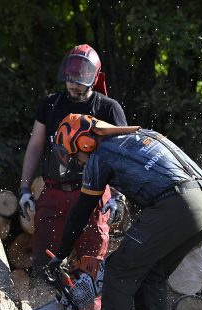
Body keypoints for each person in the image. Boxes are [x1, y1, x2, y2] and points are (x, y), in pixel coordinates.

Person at [47, 113, 202, 310]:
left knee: (119, 269)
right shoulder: (139, 136)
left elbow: (82, 211)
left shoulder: (100, 155)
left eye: (74, 154)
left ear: (85, 144)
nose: (76, 162)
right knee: (152, 274)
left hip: (175, 204)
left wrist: (60, 255)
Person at [18, 44, 127, 292]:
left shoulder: (108, 108)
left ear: (93, 77)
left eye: (80, 80)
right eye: (70, 78)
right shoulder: (51, 105)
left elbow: (123, 155)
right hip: (54, 193)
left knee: (90, 267)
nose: (74, 84)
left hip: (93, 195)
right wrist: (24, 188)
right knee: (45, 263)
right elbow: (35, 145)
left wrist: (118, 195)